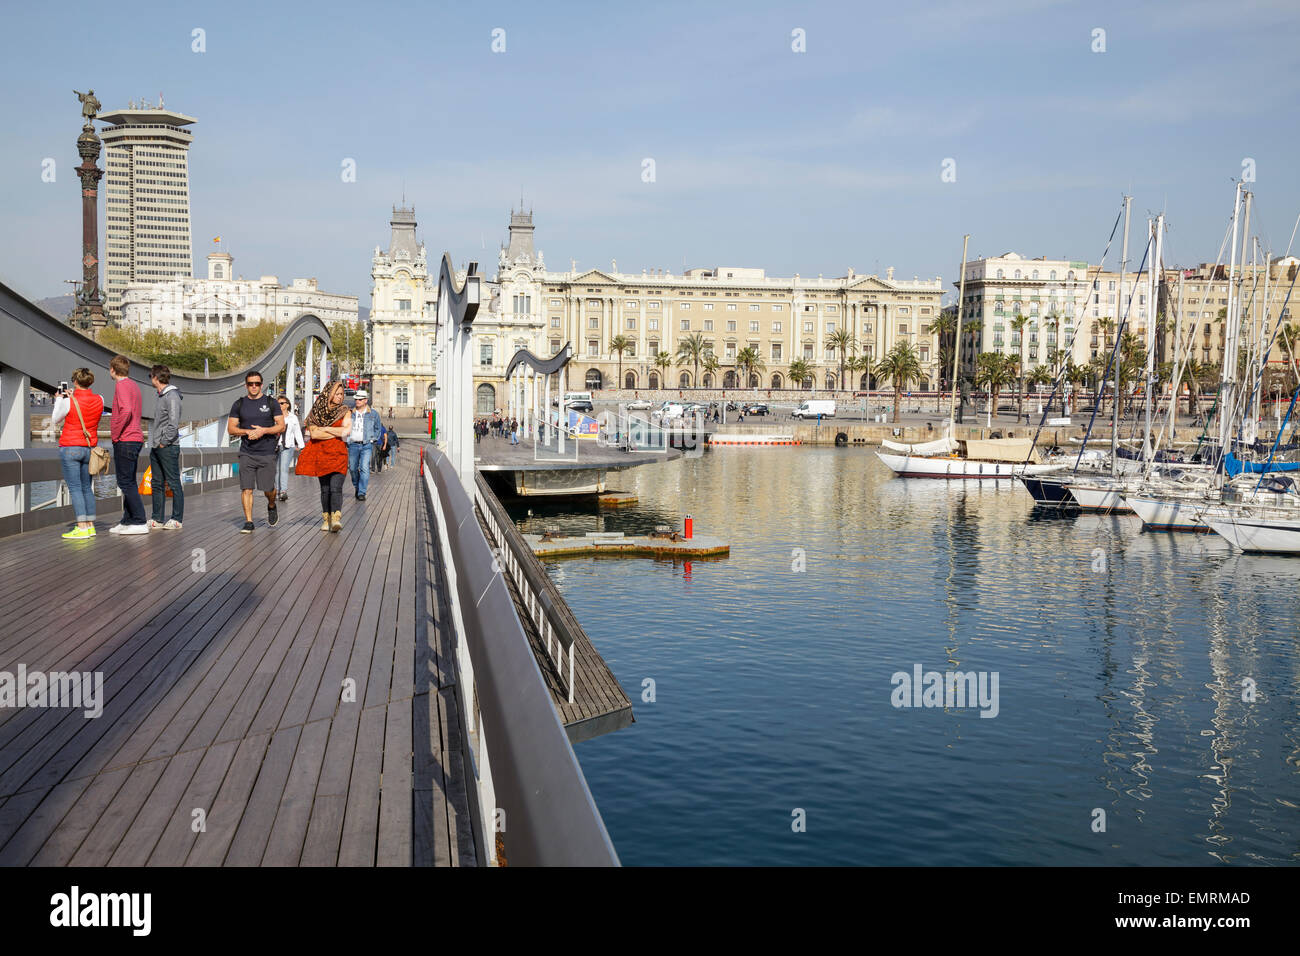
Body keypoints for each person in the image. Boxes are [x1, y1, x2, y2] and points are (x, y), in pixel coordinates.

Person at [227, 370, 285, 533]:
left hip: (267, 452)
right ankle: (249, 521)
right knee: (247, 488)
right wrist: (246, 432)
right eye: (251, 384)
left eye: (257, 384)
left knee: (268, 489)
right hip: (247, 452)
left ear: (261, 385)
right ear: (246, 385)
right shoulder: (239, 404)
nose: (254, 386)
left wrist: (263, 431)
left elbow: (281, 426)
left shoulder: (271, 403)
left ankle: (272, 506)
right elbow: (231, 428)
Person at [52, 367, 104, 539]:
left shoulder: (68, 401)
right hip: (89, 448)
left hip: (70, 447)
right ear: (90, 382)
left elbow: (55, 419)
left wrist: (59, 399)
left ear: (75, 381)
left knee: (74, 488)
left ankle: (81, 528)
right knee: (86, 488)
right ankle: (90, 526)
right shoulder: (100, 399)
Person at [296, 381, 351, 532]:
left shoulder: (345, 411)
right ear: (329, 394)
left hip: (339, 454)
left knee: (336, 487)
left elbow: (346, 432)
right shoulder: (316, 412)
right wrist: (335, 430)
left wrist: (325, 428)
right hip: (321, 454)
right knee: (325, 489)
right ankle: (326, 519)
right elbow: (314, 433)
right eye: (337, 394)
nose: (340, 397)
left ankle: (336, 519)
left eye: (341, 394)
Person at [107, 354, 148, 535]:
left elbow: (127, 410)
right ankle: (127, 520)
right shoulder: (133, 385)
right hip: (135, 438)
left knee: (125, 481)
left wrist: (115, 433)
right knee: (129, 481)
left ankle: (139, 520)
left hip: (126, 439)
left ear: (113, 370)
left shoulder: (121, 385)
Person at [147, 364, 184, 530]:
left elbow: (173, 423)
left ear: (156, 378)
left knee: (174, 482)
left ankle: (177, 519)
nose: (150, 379)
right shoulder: (162, 396)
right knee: (157, 483)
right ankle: (157, 518)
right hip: (157, 446)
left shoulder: (172, 396)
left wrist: (164, 442)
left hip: (167, 447)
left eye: (151, 376)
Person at [346, 389, 383, 498]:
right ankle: (357, 486)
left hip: (366, 444)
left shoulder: (373, 414)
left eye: (360, 399)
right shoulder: (350, 413)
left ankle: (362, 492)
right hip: (353, 444)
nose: (357, 401)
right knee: (352, 468)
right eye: (356, 399)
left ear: (365, 400)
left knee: (364, 468)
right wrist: (346, 440)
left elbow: (378, 428)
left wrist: (373, 439)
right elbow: (344, 426)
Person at [275, 395, 304, 501]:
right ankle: (277, 490)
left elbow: (297, 432)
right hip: (276, 446)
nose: (280, 405)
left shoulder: (293, 418)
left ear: (287, 405)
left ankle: (283, 491)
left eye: (282, 403)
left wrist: (301, 446)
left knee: (283, 468)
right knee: (276, 470)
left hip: (288, 446)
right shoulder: (274, 417)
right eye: (278, 403)